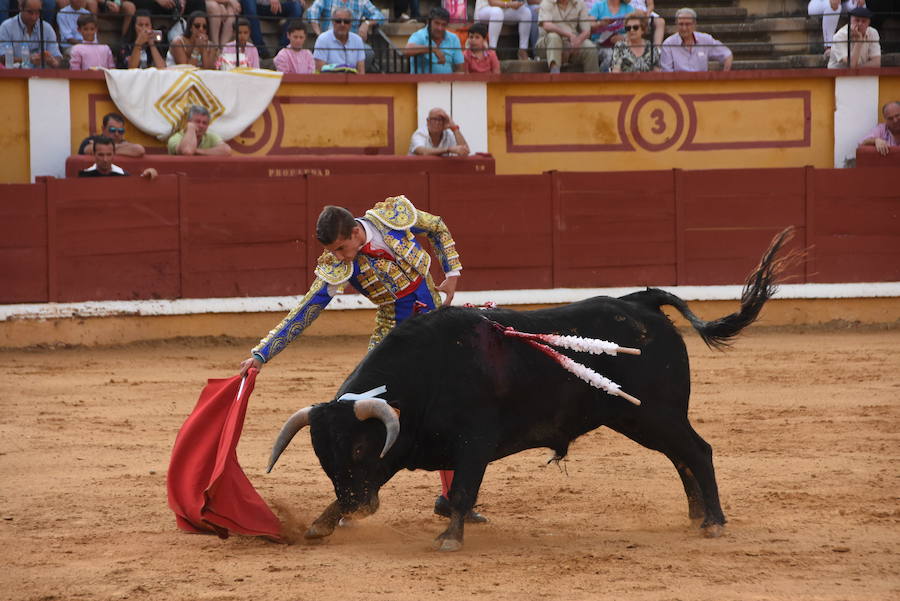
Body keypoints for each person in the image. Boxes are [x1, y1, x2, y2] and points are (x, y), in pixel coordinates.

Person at [237, 197, 487, 523]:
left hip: (437, 328)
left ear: (356, 232)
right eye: (334, 251)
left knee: (452, 406)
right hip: (392, 338)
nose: (339, 257)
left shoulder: (392, 217)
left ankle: (453, 499)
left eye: (342, 248)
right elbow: (306, 311)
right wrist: (261, 354)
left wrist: (452, 271)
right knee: (359, 411)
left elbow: (437, 226)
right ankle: (352, 498)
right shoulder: (339, 264)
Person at [535, 0, 599, 74]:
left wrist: (577, 41)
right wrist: (569, 35)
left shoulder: (580, 3)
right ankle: (554, 73)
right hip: (546, 44)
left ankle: (592, 81)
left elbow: (587, 30)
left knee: (590, 47)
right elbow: (547, 25)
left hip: (571, 42)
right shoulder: (547, 2)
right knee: (554, 37)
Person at [660, 7, 732, 72]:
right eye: (681, 24)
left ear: (694, 24)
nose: (684, 28)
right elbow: (667, 72)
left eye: (688, 24)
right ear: (676, 24)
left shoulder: (705, 39)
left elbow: (727, 54)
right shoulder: (668, 44)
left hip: (702, 84)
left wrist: (724, 80)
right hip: (679, 85)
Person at [0, 0, 63, 68]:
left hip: (41, 76)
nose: (34, 17)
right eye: (30, 12)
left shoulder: (47, 28)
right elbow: (2, 58)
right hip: (15, 74)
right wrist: (28, 59)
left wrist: (52, 61)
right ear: (20, 7)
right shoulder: (6, 27)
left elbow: (57, 57)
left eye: (38, 12)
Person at [404, 6, 464, 74]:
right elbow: (407, 51)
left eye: (443, 25)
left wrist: (453, 82)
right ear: (428, 22)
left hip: (447, 83)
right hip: (422, 83)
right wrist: (433, 49)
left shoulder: (453, 38)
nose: (440, 28)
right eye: (437, 23)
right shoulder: (419, 35)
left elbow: (460, 68)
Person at [313, 7, 366, 73]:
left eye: (346, 21)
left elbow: (361, 71)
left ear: (351, 23)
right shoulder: (322, 39)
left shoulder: (358, 40)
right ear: (332, 22)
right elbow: (319, 70)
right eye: (338, 21)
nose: (342, 24)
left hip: (352, 81)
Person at [78, 136, 158, 178]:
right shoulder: (84, 176)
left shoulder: (123, 175)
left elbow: (135, 188)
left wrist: (149, 172)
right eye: (101, 155)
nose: (105, 159)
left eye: (109, 155)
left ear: (114, 154)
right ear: (94, 155)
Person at [167, 104, 232, 155]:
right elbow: (187, 151)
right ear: (188, 122)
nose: (201, 125)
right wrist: (190, 128)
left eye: (205, 123)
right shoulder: (176, 138)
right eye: (197, 121)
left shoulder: (210, 137)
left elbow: (226, 150)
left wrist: (196, 151)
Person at [589, 0, 633, 71]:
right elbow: (588, 25)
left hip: (622, 43)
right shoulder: (598, 6)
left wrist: (624, 37)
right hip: (600, 43)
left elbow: (636, 29)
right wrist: (600, 23)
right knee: (611, 56)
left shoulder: (629, 9)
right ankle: (602, 78)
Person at [79, 112, 146, 157]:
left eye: (120, 131)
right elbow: (88, 150)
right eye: (112, 130)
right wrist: (121, 147)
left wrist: (102, 148)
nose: (116, 134)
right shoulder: (91, 139)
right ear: (103, 129)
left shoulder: (124, 143)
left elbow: (139, 150)